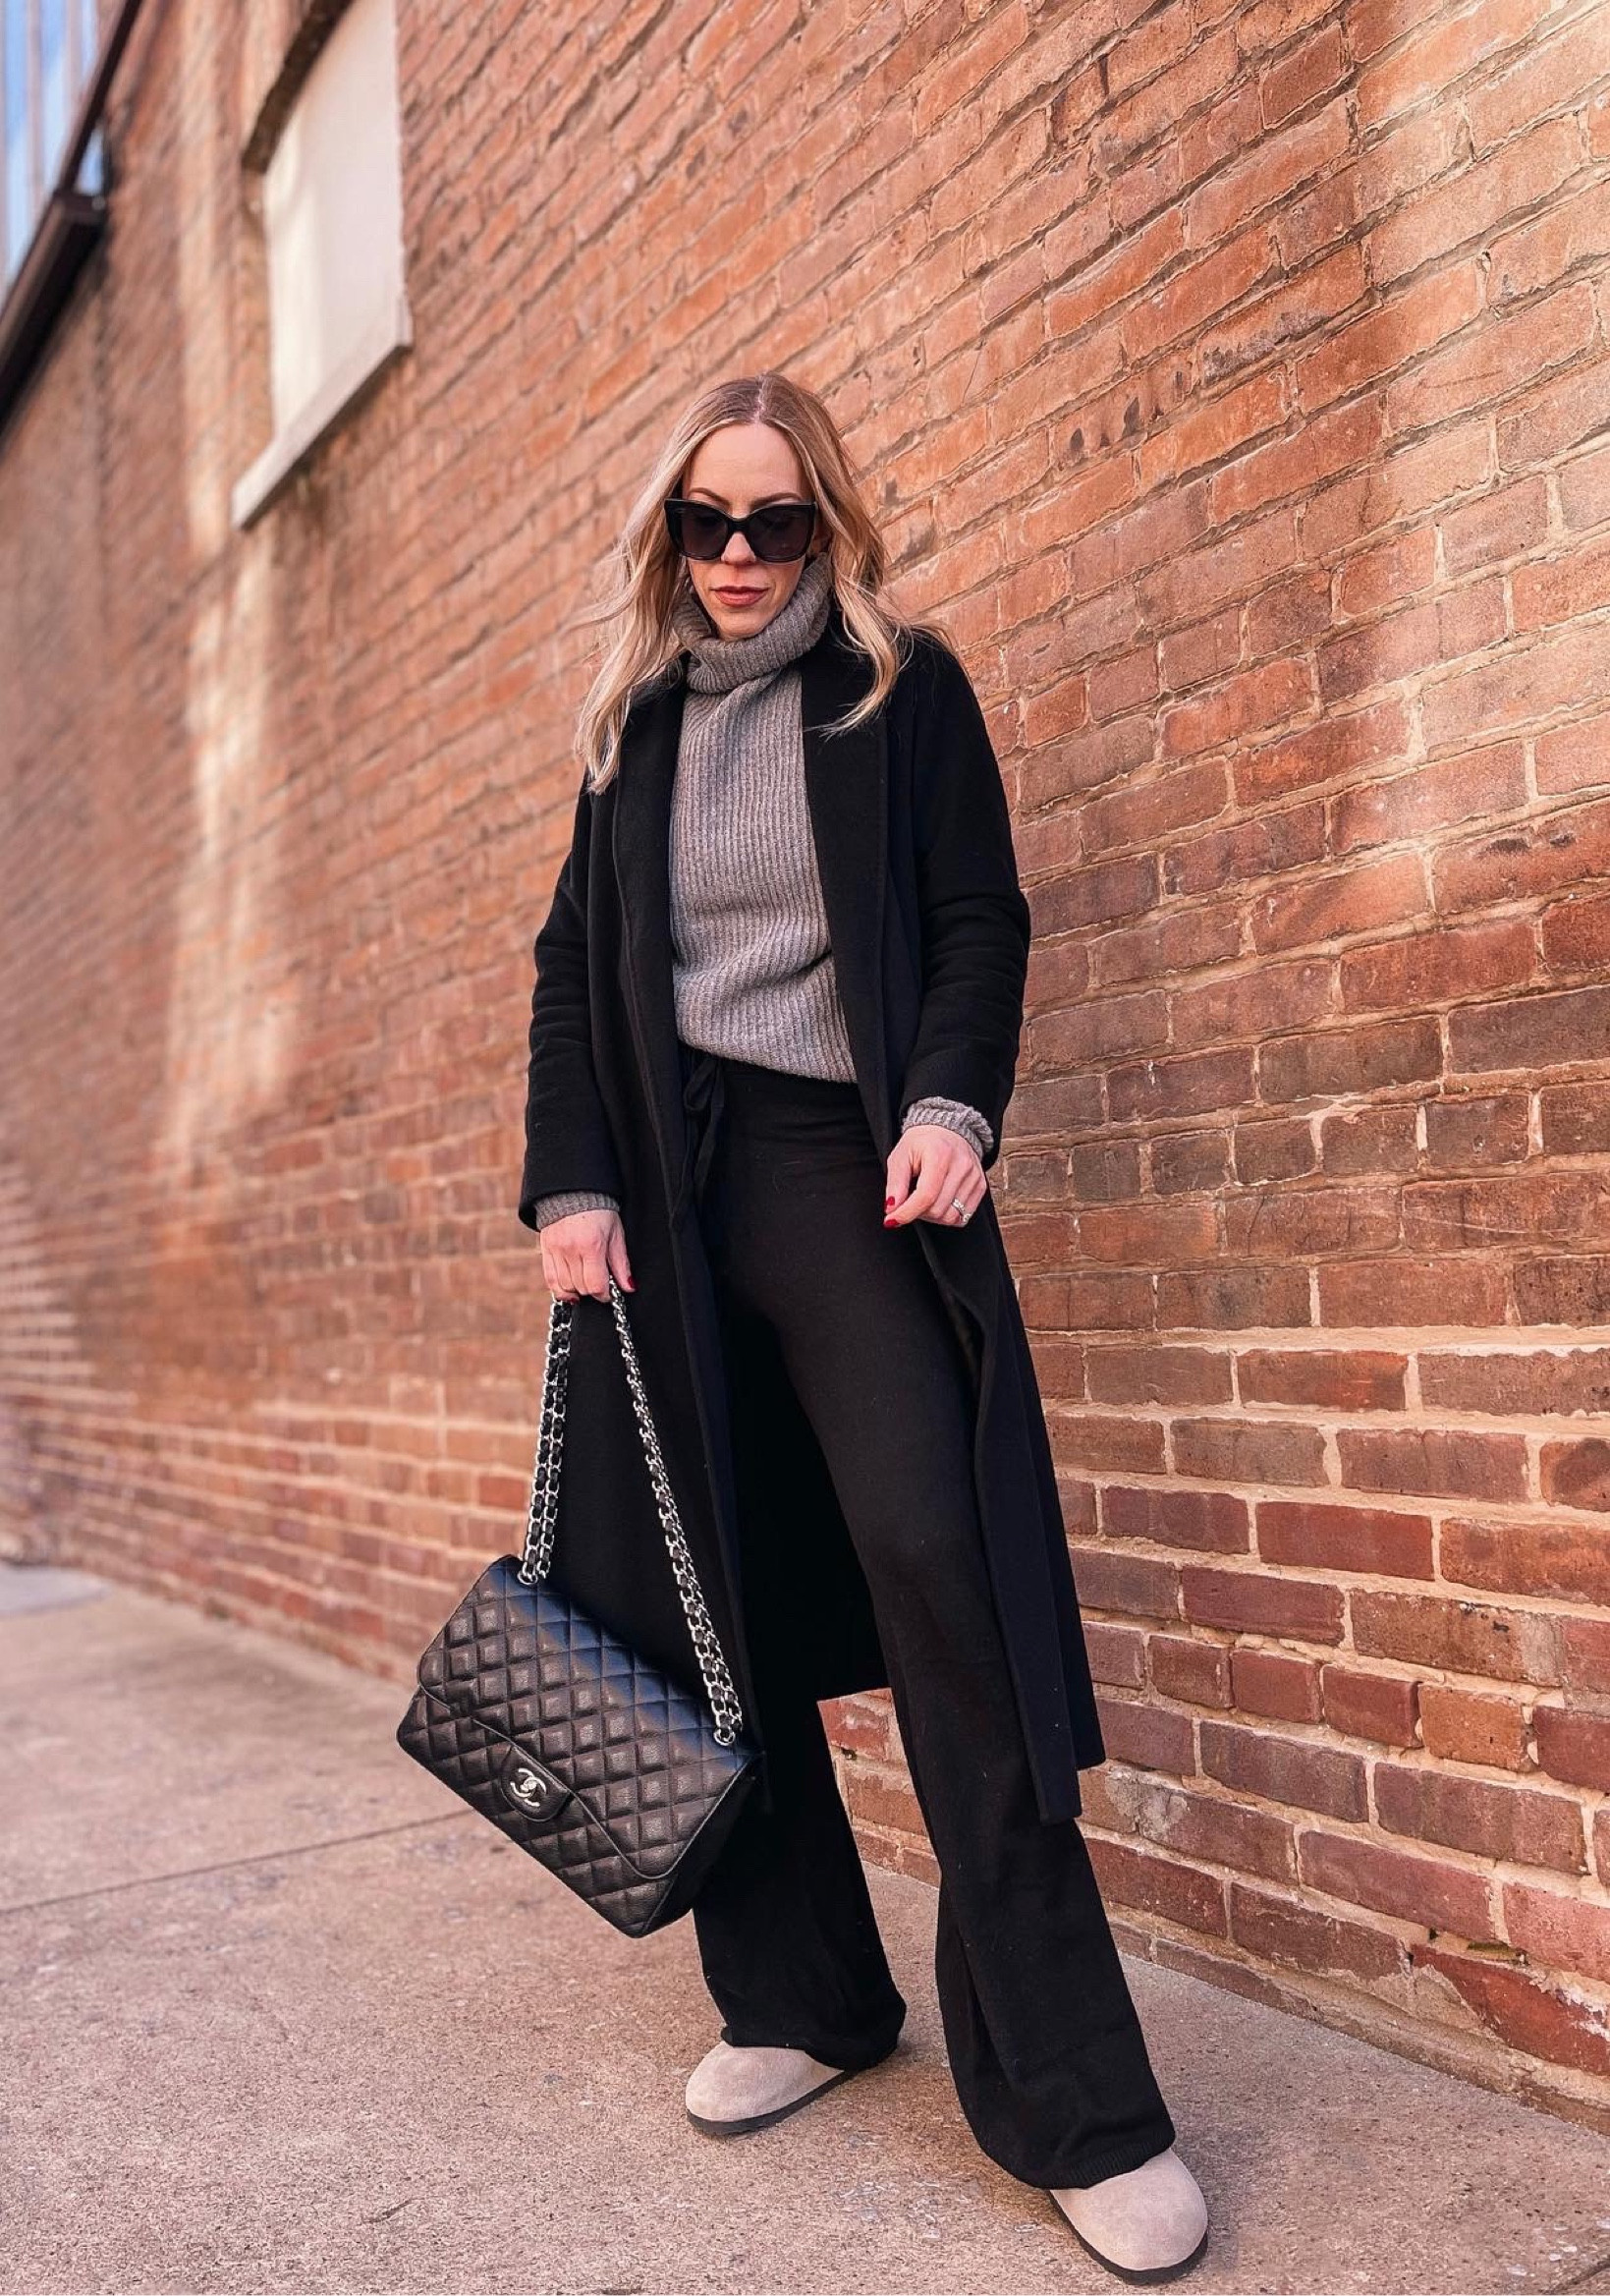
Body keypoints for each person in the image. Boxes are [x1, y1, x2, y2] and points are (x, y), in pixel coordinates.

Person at [519, 369, 1210, 2283]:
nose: (739, 558)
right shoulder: (628, 733)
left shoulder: (901, 691)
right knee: (712, 1596)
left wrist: (946, 1103)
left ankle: (1075, 2095)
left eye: (777, 521)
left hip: (843, 1166)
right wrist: (567, 1188)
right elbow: (570, 987)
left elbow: (976, 916)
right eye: (704, 523)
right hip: (664, 1197)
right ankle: (808, 1994)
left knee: (939, 1574)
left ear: (831, 522)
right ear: (666, 533)